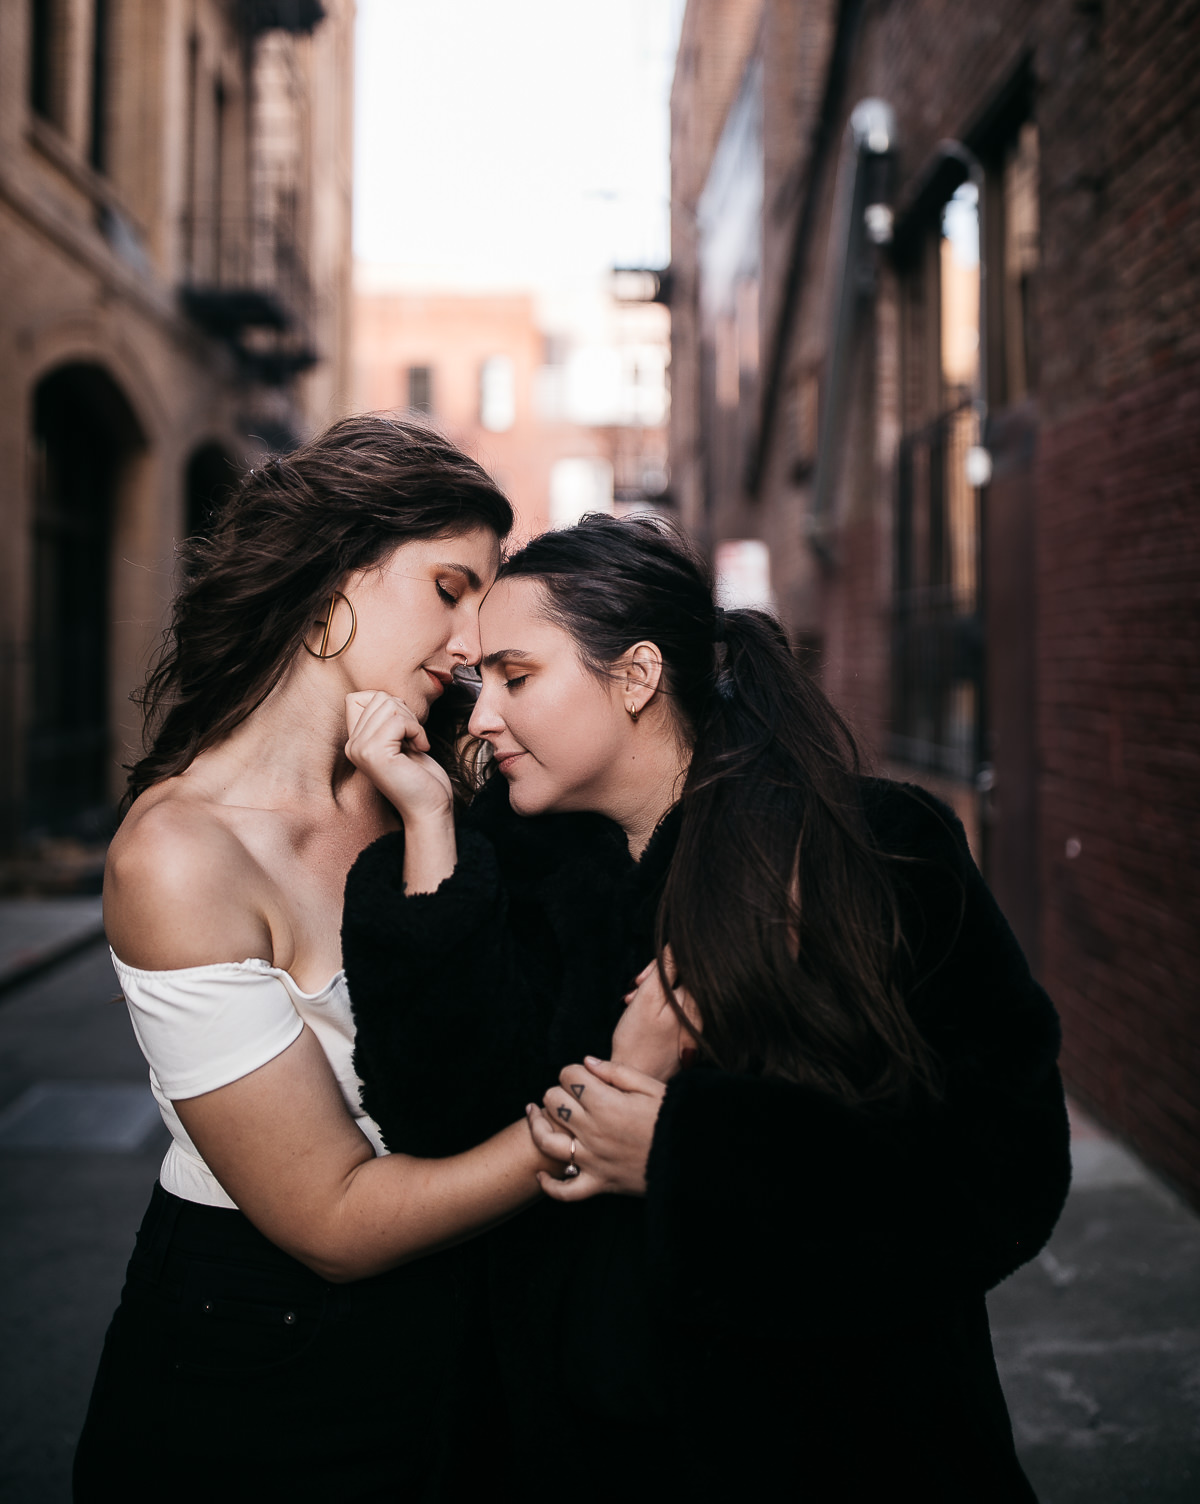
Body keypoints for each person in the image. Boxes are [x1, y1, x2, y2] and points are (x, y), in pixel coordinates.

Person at [341, 512, 1070, 1503]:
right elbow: (436, 1122)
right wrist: (428, 827)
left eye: (517, 678)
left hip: (844, 1452)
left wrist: (685, 1155)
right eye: (481, 686)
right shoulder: (513, 880)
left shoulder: (870, 851)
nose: (481, 719)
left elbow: (1002, 1172)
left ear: (636, 676)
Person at [74, 416, 561, 1504]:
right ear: (337, 575)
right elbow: (332, 1221)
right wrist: (588, 1135)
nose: (471, 641)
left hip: (460, 1338)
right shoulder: (180, 854)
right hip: (257, 1364)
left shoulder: (438, 787)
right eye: (449, 587)